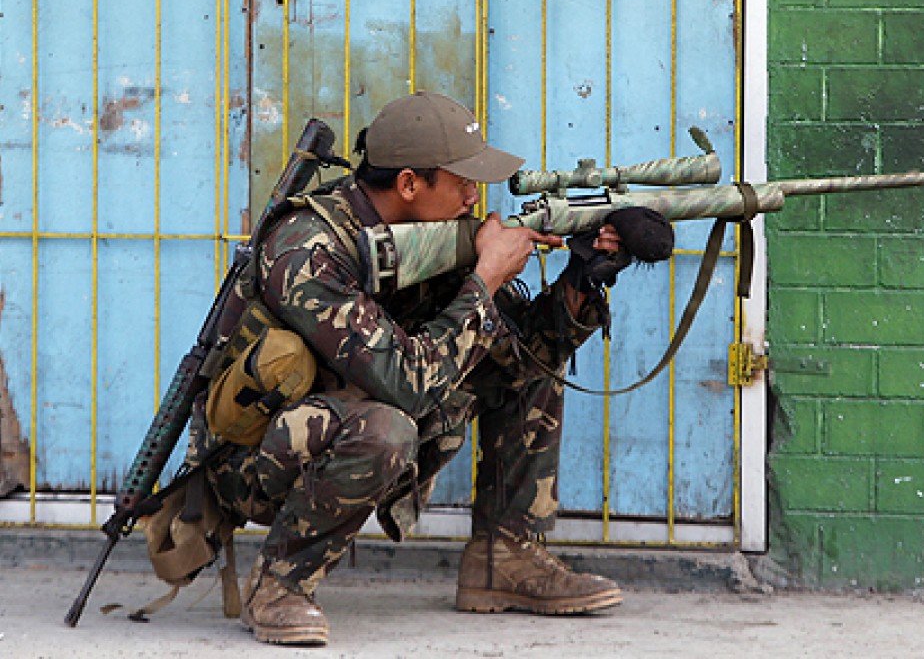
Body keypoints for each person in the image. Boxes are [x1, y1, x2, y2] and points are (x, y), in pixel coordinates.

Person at [188, 91, 630, 646]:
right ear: (408, 184)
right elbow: (407, 387)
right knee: (386, 428)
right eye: (462, 182)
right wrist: (487, 278)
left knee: (521, 365)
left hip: (347, 417)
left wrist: (585, 277)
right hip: (253, 458)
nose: (474, 198)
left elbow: (520, 354)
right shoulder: (310, 250)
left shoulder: (429, 235)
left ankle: (505, 557)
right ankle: (278, 585)